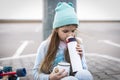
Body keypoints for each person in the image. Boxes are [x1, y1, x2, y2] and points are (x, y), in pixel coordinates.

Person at [33, 2, 93, 80]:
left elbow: (83, 71)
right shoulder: (45, 46)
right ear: (56, 30)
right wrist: (49, 77)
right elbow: (35, 73)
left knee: (85, 74)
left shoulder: (78, 44)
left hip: (73, 77)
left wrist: (80, 58)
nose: (70, 35)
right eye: (65, 31)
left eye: (73, 31)